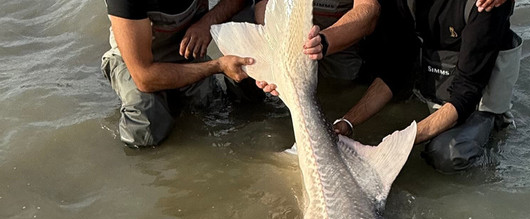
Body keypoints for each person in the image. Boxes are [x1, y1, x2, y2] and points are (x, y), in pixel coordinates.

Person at [332, 0, 522, 172]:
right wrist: (348, 121)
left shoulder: (485, 4)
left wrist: (398, 144)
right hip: (431, 89)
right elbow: (395, 71)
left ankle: (491, 128)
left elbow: (466, 95)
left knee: (444, 155)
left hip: (474, 102)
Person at [101, 0, 258, 147]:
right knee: (146, 123)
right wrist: (217, 66)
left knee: (213, 110)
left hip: (186, 51)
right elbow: (144, 77)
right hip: (136, 63)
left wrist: (206, 23)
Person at [252, 0, 381, 83]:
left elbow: (369, 9)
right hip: (290, 50)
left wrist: (324, 41)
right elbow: (264, 3)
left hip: (343, 63)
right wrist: (275, 40)